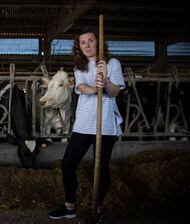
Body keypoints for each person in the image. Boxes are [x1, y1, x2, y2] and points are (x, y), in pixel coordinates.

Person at [48, 26, 125, 221]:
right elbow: (81, 87)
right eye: (83, 42)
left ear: (98, 42)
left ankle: (96, 210)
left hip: (106, 124)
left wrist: (105, 80)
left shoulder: (112, 63)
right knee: (67, 165)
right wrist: (94, 88)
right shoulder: (79, 66)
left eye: (90, 40)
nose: (87, 45)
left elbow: (115, 91)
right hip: (84, 123)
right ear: (79, 47)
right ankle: (69, 207)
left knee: (101, 169)